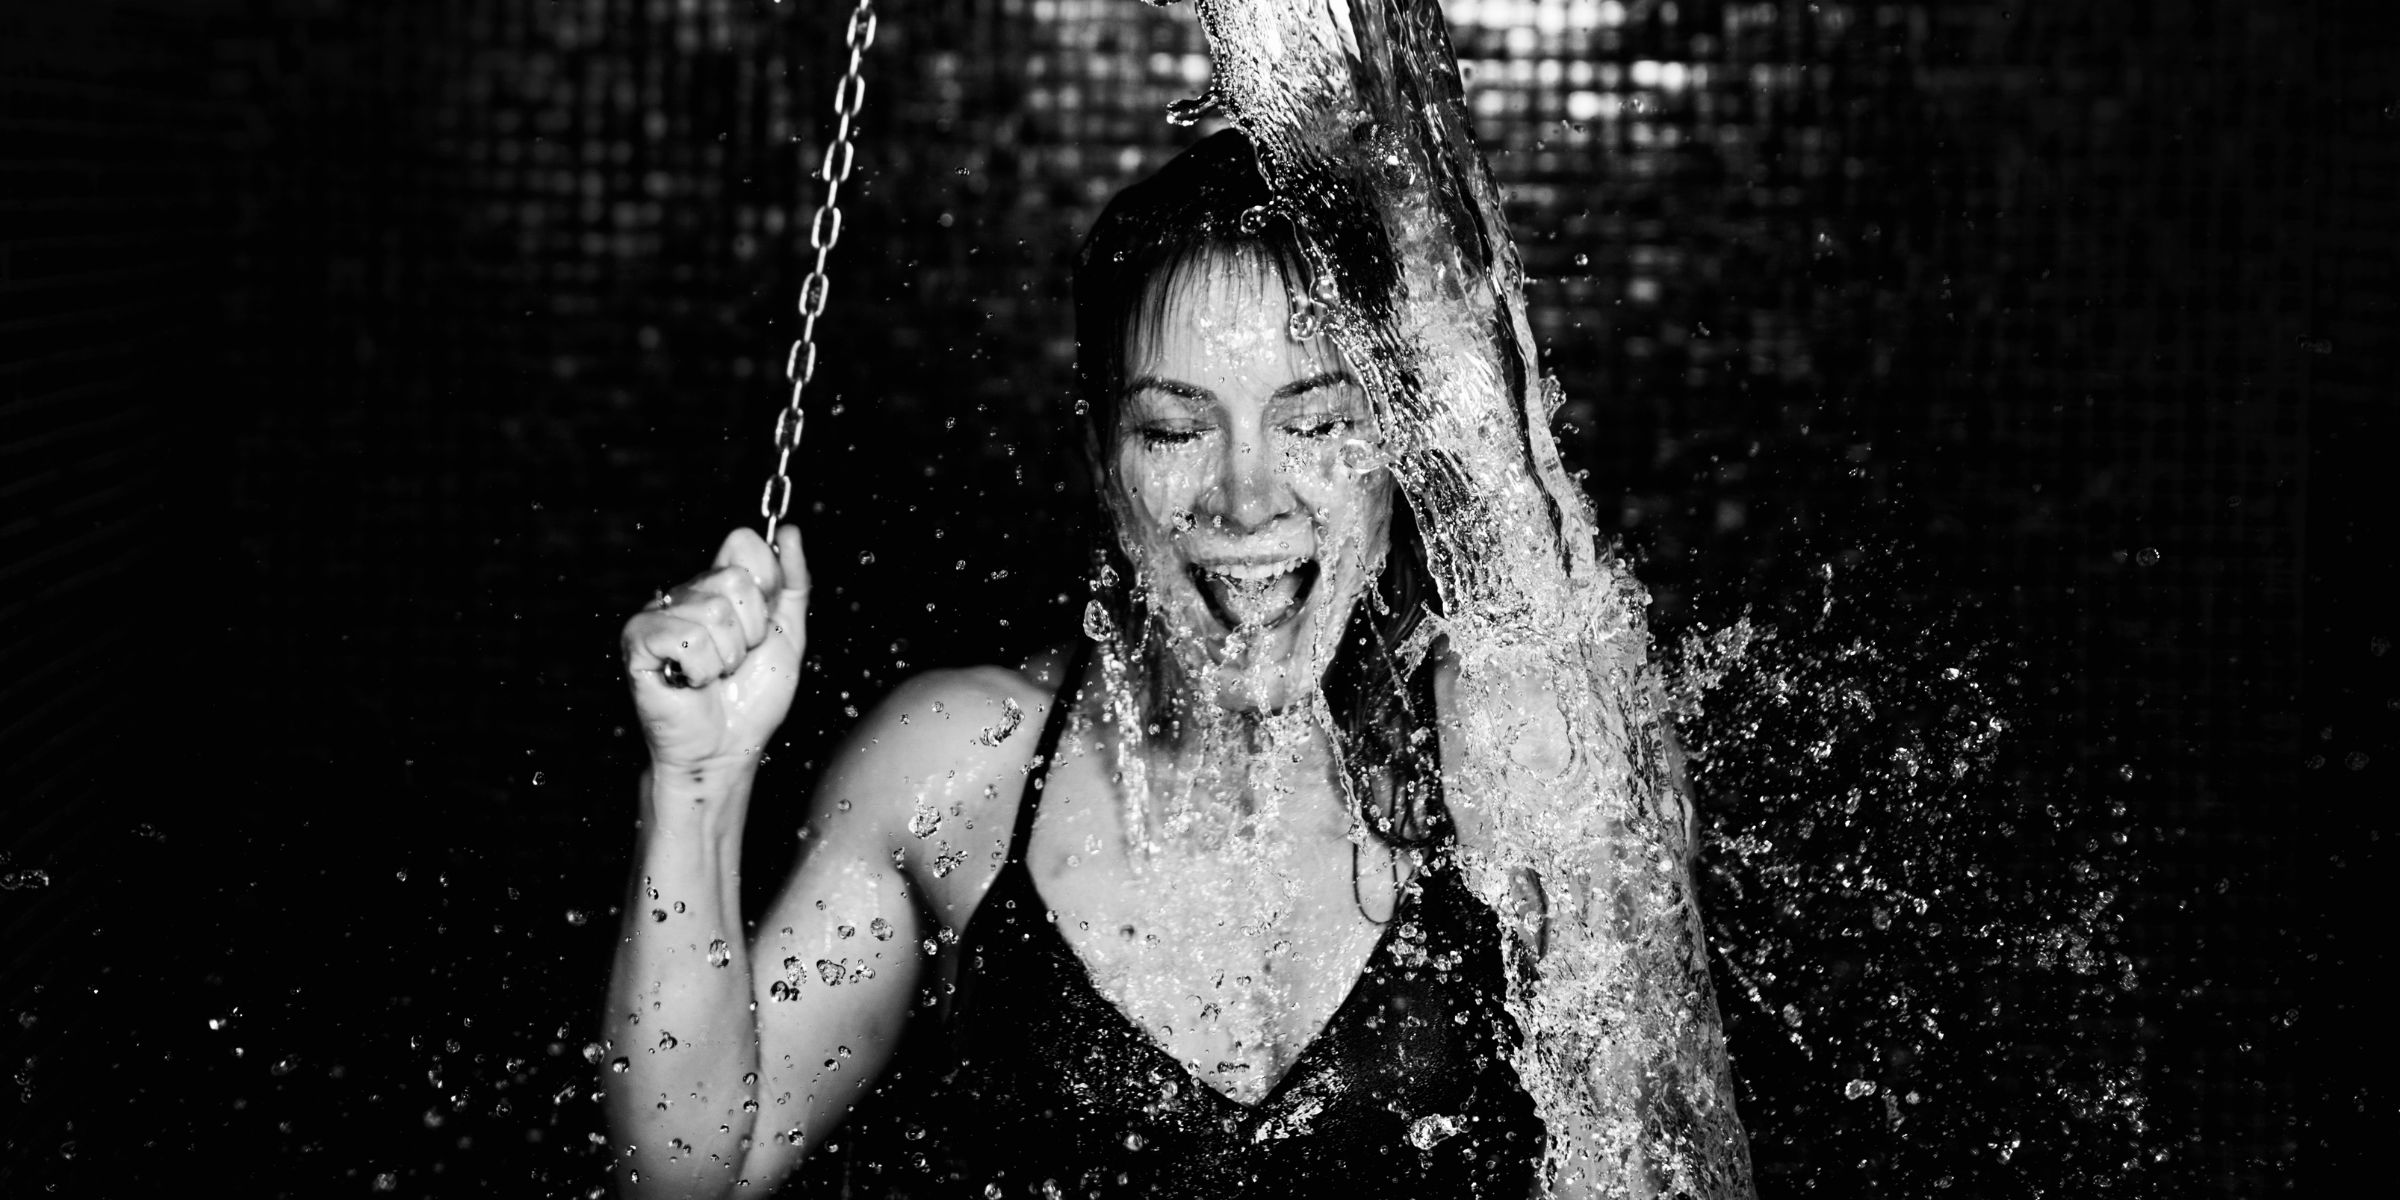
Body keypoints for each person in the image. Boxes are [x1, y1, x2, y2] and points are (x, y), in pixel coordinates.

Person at [605, 131, 1557, 1199]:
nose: (1247, 498)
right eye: (1172, 430)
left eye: (1320, 422)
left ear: (1399, 450)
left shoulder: (1512, 756)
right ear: (1102, 460)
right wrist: (696, 784)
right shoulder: (964, 766)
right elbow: (696, 1172)